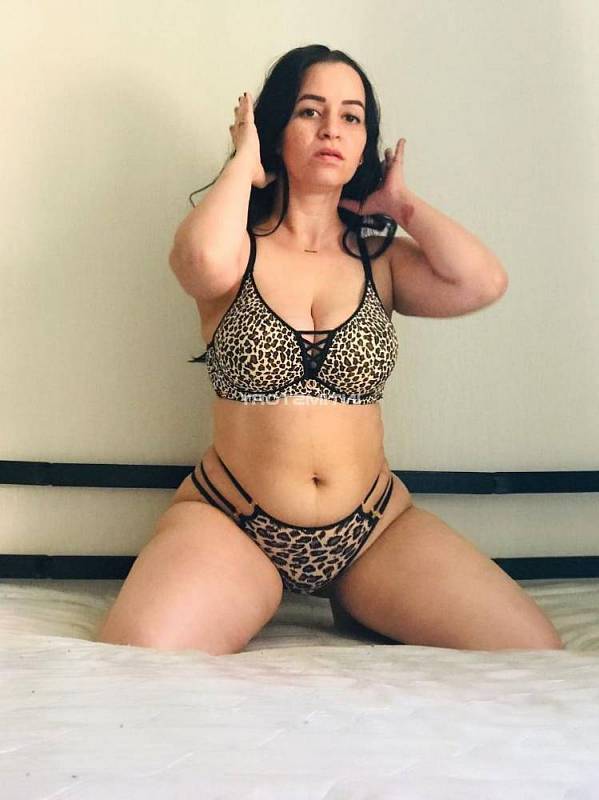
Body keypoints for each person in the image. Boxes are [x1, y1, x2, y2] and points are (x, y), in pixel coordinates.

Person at [96, 45, 563, 655]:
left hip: (374, 530)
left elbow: (483, 282)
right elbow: (199, 262)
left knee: (531, 646)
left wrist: (402, 206)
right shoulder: (235, 249)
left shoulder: (381, 259)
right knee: (139, 652)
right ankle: (263, 591)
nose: (331, 130)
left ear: (366, 142)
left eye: (351, 117)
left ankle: (361, 599)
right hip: (233, 521)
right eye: (309, 111)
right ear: (276, 129)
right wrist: (243, 164)